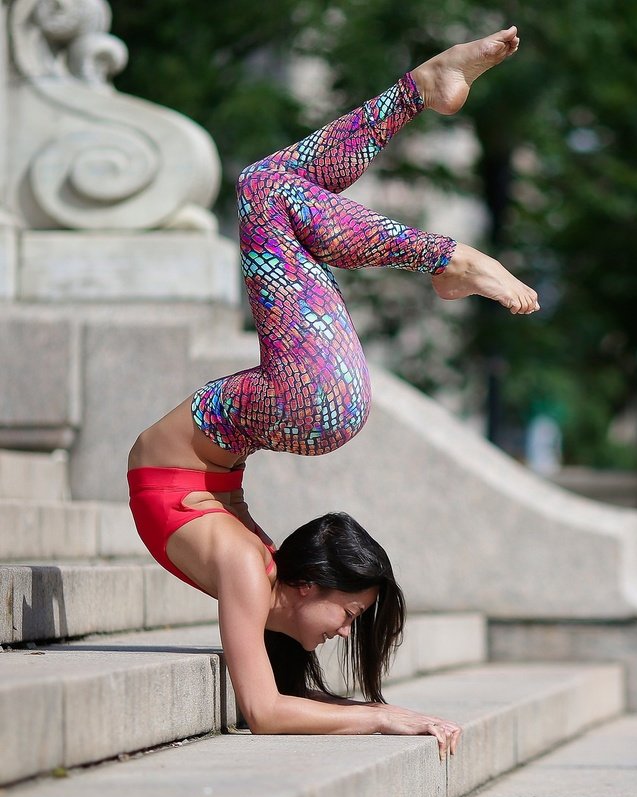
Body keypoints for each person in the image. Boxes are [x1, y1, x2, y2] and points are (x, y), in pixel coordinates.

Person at [127, 28, 538, 759]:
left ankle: (448, 251)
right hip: (229, 437)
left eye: (346, 615)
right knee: (269, 187)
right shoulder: (255, 574)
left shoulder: (251, 576)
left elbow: (264, 708)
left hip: (225, 432)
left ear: (307, 580)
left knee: (266, 197)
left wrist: (380, 715)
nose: (343, 631)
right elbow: (270, 708)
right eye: (350, 616)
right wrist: (383, 715)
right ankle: (423, 96)